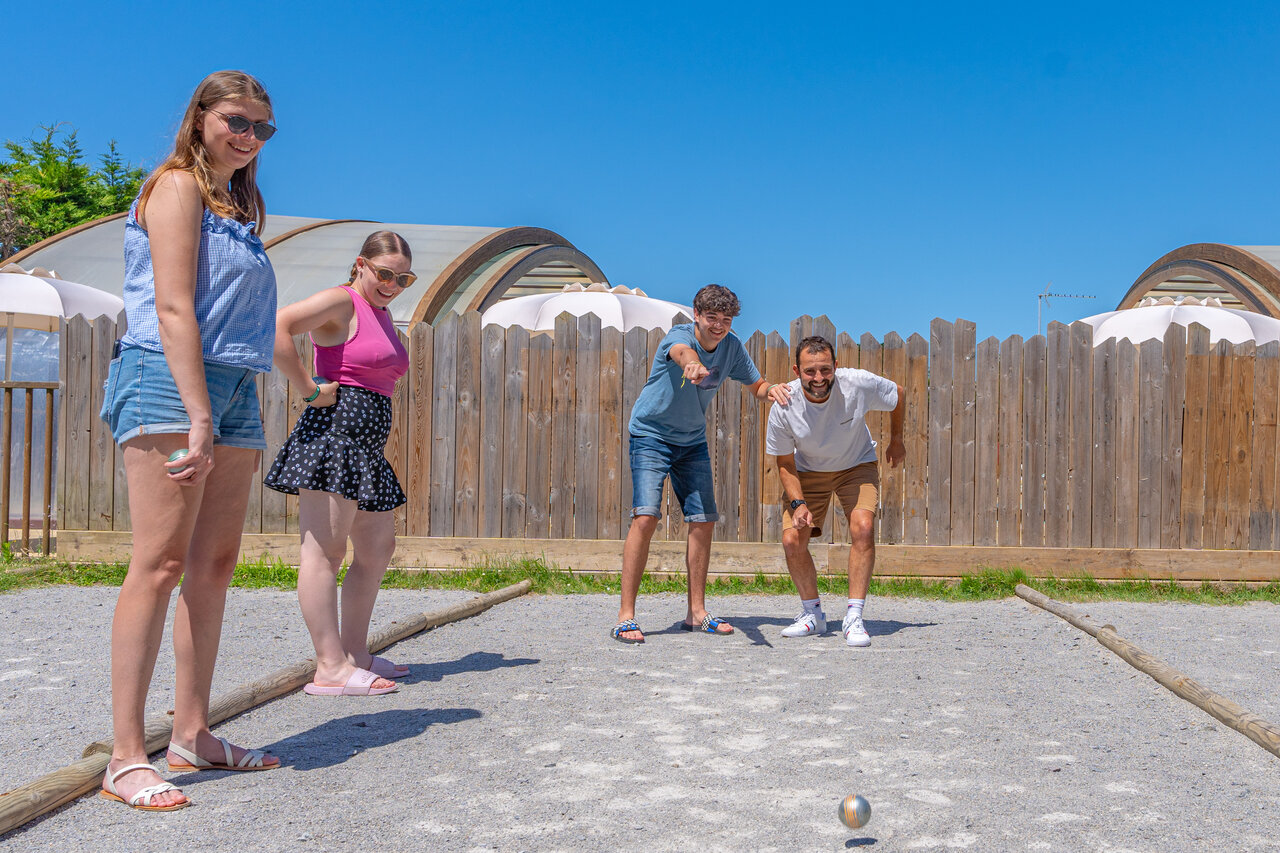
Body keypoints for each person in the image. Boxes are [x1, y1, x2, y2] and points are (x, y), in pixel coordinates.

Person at [97, 71, 281, 811]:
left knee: (214, 562)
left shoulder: (237, 207)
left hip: (234, 381)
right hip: (170, 378)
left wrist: (227, 401)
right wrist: (199, 413)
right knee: (161, 560)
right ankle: (124, 754)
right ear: (201, 118)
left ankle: (194, 731)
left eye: (263, 129)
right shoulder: (175, 187)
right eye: (238, 121)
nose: (249, 137)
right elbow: (173, 307)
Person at [263, 231, 415, 696]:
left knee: (377, 549)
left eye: (403, 278)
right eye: (384, 274)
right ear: (362, 265)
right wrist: (309, 389)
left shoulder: (382, 314)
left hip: (366, 448)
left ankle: (354, 653)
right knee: (324, 553)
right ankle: (329, 668)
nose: (391, 284)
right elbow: (275, 326)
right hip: (333, 440)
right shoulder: (342, 301)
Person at [612, 284, 791, 643]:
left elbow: (755, 383)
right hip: (650, 435)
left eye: (726, 320)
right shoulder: (679, 336)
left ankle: (696, 613)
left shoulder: (731, 348)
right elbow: (682, 353)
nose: (719, 326)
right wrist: (692, 365)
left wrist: (770, 390)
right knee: (645, 516)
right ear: (697, 315)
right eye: (712, 318)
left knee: (704, 520)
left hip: (691, 440)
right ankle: (625, 616)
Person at [765, 335, 904, 647]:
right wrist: (798, 503)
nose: (819, 379)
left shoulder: (856, 384)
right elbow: (785, 462)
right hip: (807, 471)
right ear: (797, 370)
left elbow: (898, 393)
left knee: (863, 528)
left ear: (836, 367)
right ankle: (812, 615)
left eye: (825, 370)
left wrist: (897, 438)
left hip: (856, 465)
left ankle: (854, 616)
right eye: (810, 371)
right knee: (792, 539)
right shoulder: (784, 405)